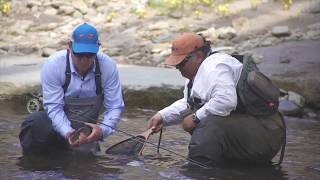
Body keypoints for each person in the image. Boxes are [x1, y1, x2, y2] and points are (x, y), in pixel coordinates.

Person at [147, 32, 284, 167]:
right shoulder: (196, 74)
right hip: (248, 133)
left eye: (181, 63)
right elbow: (189, 102)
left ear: (199, 56)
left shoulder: (215, 67)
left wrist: (195, 118)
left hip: (265, 135)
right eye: (176, 64)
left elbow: (226, 101)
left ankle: (197, 173)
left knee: (208, 125)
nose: (178, 68)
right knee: (206, 119)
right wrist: (163, 116)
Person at [19, 22, 125, 154]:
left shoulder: (108, 67)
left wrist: (102, 131)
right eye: (79, 54)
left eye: (90, 55)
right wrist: (68, 133)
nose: (85, 60)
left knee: (83, 165)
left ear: (98, 48)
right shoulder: (54, 65)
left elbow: (115, 106)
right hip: (54, 127)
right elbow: (54, 107)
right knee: (34, 122)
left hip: (85, 134)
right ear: (69, 47)